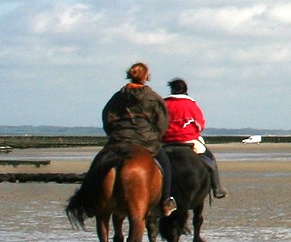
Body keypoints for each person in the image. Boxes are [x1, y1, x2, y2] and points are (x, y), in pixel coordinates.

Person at [93, 61, 169, 210]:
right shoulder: (154, 97)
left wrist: (113, 133)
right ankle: (166, 200)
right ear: (146, 77)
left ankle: (89, 201)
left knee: (97, 165)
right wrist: (156, 136)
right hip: (146, 141)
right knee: (166, 164)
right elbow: (162, 122)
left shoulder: (117, 97)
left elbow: (107, 117)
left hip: (119, 140)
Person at [162, 77, 226, 202]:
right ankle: (217, 188)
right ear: (185, 90)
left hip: (166, 142)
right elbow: (200, 124)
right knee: (209, 157)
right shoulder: (191, 104)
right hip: (188, 141)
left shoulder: (164, 104)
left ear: (172, 89)